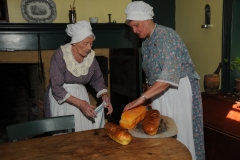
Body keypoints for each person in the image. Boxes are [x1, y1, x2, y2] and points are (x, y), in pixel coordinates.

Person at [123, 1, 205, 160]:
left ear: (147, 19)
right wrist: (149, 99)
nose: (134, 30)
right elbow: (151, 74)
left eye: (136, 25)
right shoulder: (146, 41)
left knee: (180, 134)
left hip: (178, 90)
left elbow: (168, 77)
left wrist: (142, 98)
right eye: (131, 27)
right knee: (161, 135)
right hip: (159, 91)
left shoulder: (166, 36)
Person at [44, 20, 113, 132]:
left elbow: (97, 79)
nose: (89, 47)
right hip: (62, 98)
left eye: (91, 43)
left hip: (81, 95)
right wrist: (81, 103)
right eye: (85, 43)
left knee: (82, 130)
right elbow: (56, 87)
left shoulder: (90, 57)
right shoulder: (61, 55)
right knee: (65, 134)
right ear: (74, 42)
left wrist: (104, 95)